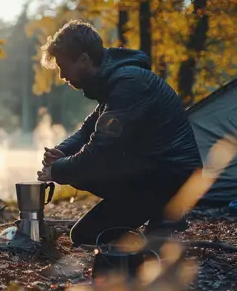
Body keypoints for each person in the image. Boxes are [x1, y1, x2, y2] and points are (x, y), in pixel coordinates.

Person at [36, 20, 203, 246]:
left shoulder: (129, 83)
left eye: (64, 66)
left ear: (84, 60)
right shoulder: (114, 82)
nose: (62, 76)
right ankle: (159, 220)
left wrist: (58, 170)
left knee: (88, 197)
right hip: (152, 173)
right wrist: (61, 151)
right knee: (84, 234)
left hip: (171, 178)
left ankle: (167, 216)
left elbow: (101, 153)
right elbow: (87, 130)